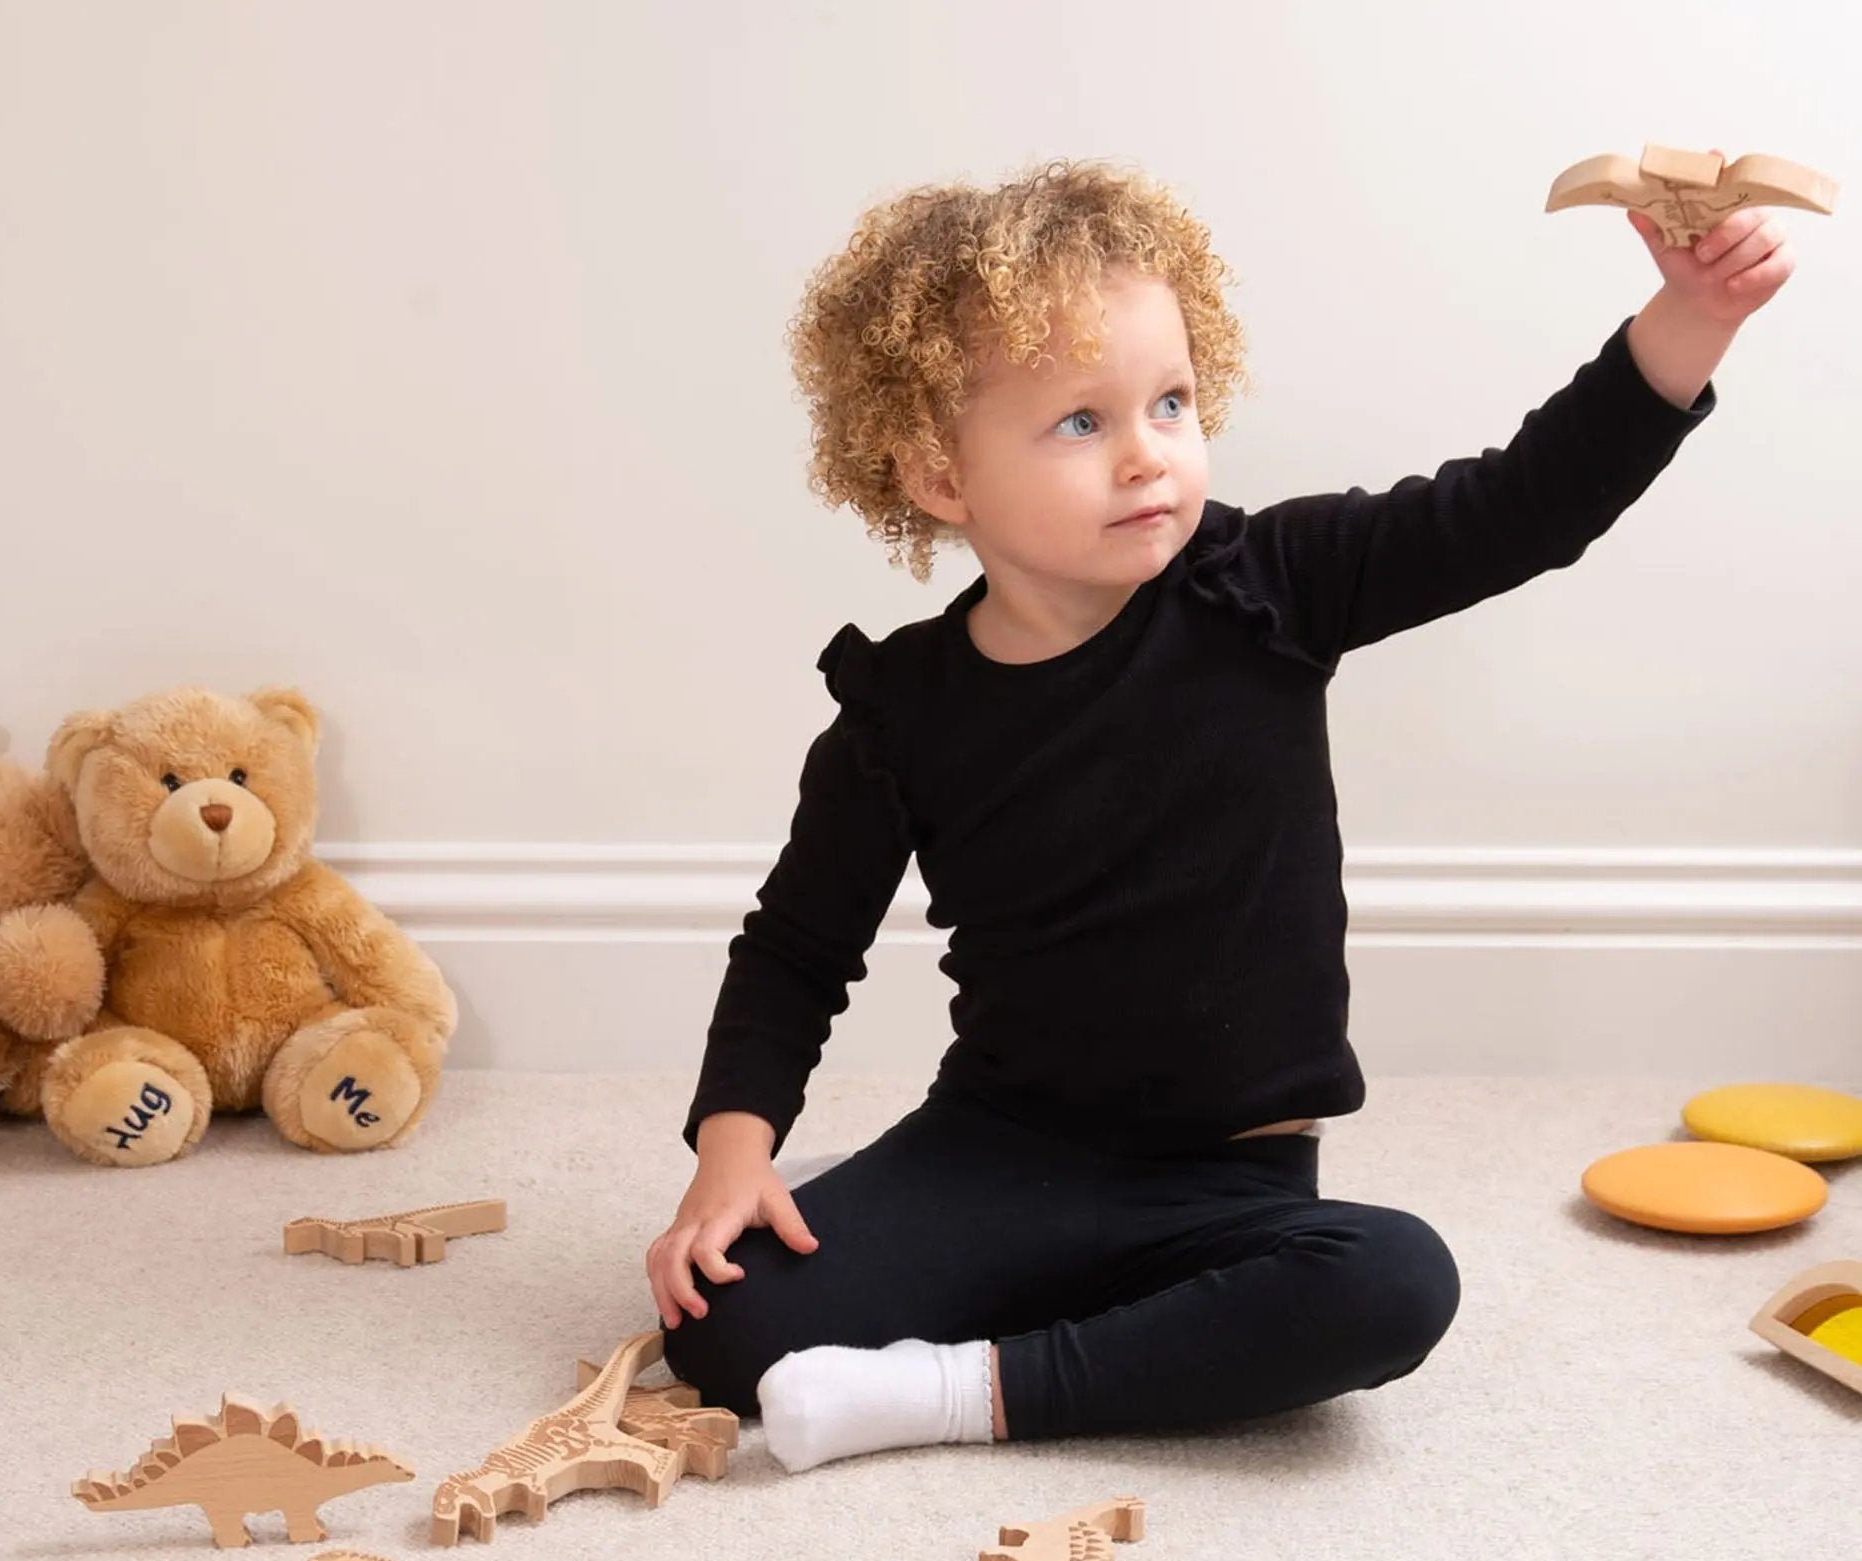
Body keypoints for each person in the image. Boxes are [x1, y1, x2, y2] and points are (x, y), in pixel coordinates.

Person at [646, 156, 1793, 1473]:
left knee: (1391, 1282)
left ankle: (963, 1390)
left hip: (1229, 1186)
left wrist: (1689, 323)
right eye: (1081, 423)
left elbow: (1521, 506)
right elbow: (796, 948)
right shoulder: (900, 710)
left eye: (1172, 402)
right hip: (1003, 1150)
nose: (1148, 453)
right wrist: (732, 1159)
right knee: (722, 1327)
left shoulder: (1272, 587)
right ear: (938, 476)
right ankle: (1106, 1335)